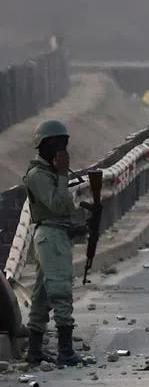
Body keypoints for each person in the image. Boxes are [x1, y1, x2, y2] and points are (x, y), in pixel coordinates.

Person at [23, 120, 87, 367]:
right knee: (60, 291)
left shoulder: (48, 173)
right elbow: (56, 206)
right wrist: (62, 174)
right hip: (50, 237)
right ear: (47, 145)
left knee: (41, 295)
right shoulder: (39, 175)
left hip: (56, 234)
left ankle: (35, 350)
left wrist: (78, 226)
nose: (64, 150)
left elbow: (65, 210)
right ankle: (66, 351)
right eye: (59, 144)